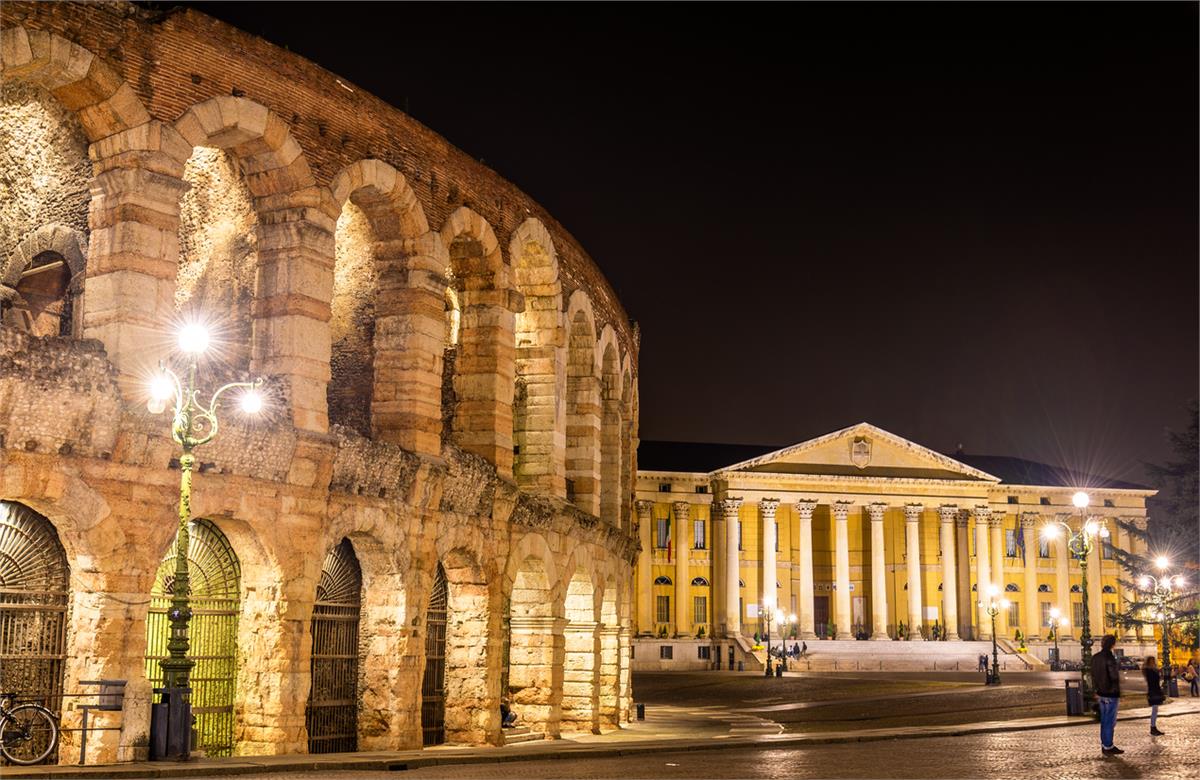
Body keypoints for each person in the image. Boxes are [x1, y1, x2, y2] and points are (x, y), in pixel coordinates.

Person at [1092, 634, 1123, 755]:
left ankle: (1104, 744)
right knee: (1110, 721)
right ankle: (1108, 746)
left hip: (1101, 693)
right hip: (1111, 694)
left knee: (1104, 720)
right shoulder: (1110, 657)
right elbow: (1114, 677)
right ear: (1112, 644)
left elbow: (1093, 676)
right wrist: (1118, 692)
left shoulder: (1095, 657)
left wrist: (1096, 690)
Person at [1143, 656, 1166, 736]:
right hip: (1153, 692)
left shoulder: (1152, 670)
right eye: (1152, 661)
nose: (1154, 662)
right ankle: (1153, 728)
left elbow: (1158, 679)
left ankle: (1153, 727)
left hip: (1155, 691)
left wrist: (1159, 672)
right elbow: (1153, 681)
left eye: (1154, 661)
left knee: (1155, 711)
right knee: (1154, 711)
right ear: (1149, 662)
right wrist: (1158, 672)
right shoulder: (1149, 671)